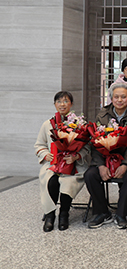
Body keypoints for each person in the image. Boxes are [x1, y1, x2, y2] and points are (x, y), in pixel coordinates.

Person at [85, 82, 127, 229]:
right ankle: (101, 212)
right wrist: (101, 165)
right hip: (107, 158)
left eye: (123, 97)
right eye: (116, 97)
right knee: (90, 175)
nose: (119, 100)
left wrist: (125, 164)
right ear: (111, 98)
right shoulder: (102, 115)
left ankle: (121, 213)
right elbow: (95, 141)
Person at [34, 91, 91, 232]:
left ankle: (64, 214)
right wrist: (45, 154)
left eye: (66, 101)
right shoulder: (47, 124)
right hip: (52, 163)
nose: (62, 104)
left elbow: (88, 146)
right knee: (51, 180)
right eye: (59, 101)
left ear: (71, 104)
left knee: (68, 182)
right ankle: (50, 214)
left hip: (73, 164)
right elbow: (39, 144)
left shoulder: (79, 124)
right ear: (54, 104)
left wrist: (76, 156)